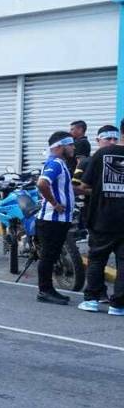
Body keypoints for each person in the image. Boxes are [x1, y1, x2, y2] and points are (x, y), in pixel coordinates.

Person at [77, 123, 124, 315]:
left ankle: (92, 300)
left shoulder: (100, 155)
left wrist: (100, 190)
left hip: (102, 217)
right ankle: (118, 305)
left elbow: (82, 185)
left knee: (97, 259)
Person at [35, 131, 77, 305]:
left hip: (58, 220)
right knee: (48, 256)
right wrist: (55, 203)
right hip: (52, 219)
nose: (74, 148)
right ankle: (45, 291)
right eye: (71, 145)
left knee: (51, 255)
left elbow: (63, 188)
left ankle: (48, 289)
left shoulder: (59, 163)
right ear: (60, 146)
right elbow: (42, 184)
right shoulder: (56, 163)